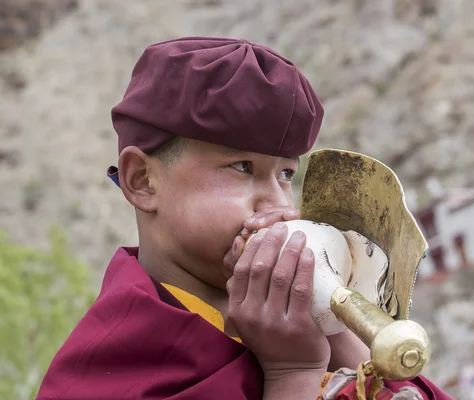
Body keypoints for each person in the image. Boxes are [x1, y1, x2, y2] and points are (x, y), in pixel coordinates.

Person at [36, 36, 451, 399]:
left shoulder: (311, 330)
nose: (280, 206)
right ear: (143, 180)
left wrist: (335, 327)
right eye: (242, 167)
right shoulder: (109, 365)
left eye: (286, 174)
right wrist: (293, 374)